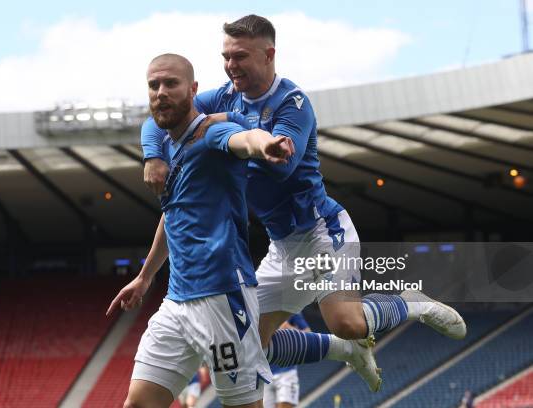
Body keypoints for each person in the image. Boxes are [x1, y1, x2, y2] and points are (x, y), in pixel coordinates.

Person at [141, 14, 467, 391]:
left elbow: (282, 166)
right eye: (226, 56)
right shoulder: (225, 94)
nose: (231, 66)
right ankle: (345, 351)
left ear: (269, 54)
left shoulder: (292, 102)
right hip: (283, 246)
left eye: (240, 56)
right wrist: (154, 155)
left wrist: (233, 127)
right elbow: (164, 114)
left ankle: (412, 302)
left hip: (321, 232)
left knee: (346, 320)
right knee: (251, 342)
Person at [107, 53, 294, 408]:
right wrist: (145, 277)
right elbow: (172, 214)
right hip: (176, 302)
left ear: (193, 89)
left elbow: (243, 139)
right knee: (138, 404)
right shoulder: (169, 148)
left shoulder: (211, 133)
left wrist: (264, 144)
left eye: (171, 84)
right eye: (154, 85)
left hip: (223, 299)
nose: (161, 92)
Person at [263, 314, 309, 408]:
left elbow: (308, 334)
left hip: (286, 371)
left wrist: (289, 329)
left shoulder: (292, 309)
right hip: (265, 375)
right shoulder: (258, 308)